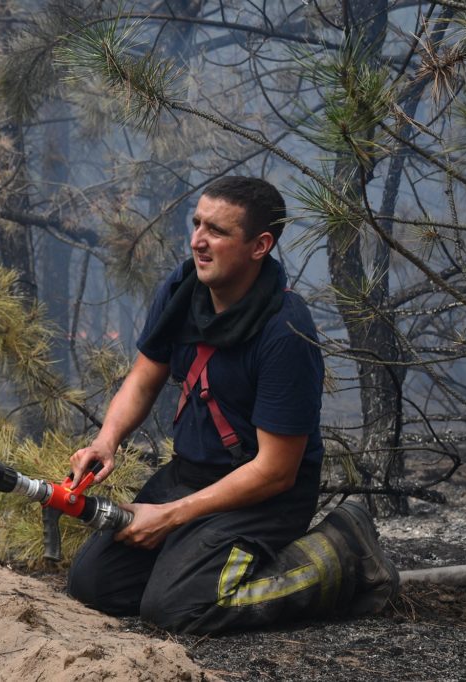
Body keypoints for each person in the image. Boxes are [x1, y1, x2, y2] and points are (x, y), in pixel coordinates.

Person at [67, 176, 398, 634]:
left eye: (217, 231)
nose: (198, 241)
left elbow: (277, 471)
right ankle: (191, 561)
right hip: (190, 476)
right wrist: (106, 441)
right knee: (93, 585)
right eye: (197, 223)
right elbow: (144, 378)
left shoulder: (286, 331)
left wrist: (169, 517)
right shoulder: (183, 289)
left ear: (259, 245)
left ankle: (341, 550)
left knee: (177, 608)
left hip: (264, 497)